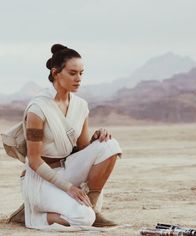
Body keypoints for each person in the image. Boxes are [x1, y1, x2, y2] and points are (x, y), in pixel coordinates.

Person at [9, 44, 122, 231]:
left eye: (81, 73)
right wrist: (69, 187)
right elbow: (34, 160)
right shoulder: (38, 108)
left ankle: (92, 206)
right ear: (55, 73)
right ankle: (32, 214)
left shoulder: (81, 106)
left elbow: (83, 149)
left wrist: (97, 137)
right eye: (72, 73)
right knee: (83, 219)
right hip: (40, 179)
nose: (78, 79)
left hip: (68, 169)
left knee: (109, 144)